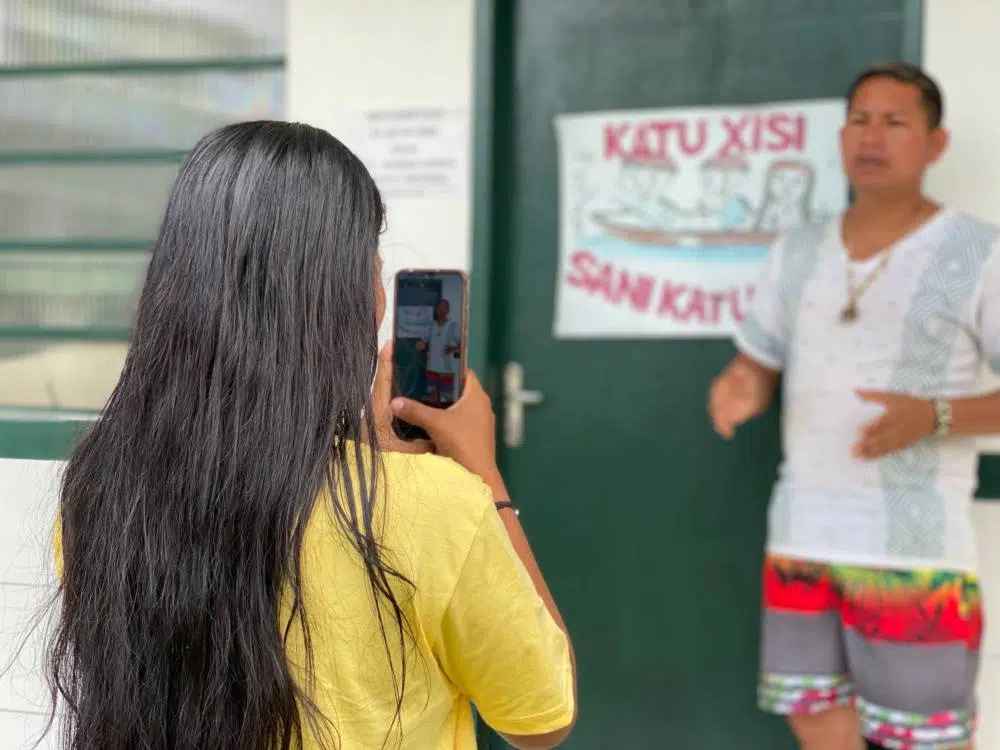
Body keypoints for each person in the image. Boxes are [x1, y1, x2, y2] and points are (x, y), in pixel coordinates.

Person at [45, 121, 576, 750]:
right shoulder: (437, 508)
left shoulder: (102, 489)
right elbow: (540, 719)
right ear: (343, 299)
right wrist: (481, 474)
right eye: (375, 268)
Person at [708, 62, 1000, 750]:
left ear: (935, 144)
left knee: (924, 739)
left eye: (895, 121)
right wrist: (742, 384)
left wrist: (936, 416)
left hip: (914, 552)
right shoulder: (799, 246)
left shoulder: (980, 252)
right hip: (802, 537)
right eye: (859, 119)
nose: (872, 136)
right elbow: (759, 360)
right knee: (818, 726)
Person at [415, 298, 460, 405]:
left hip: (447, 370)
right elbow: (421, 342)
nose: (442, 309)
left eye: (445, 307)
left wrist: (453, 349)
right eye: (440, 307)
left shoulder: (454, 326)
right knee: (432, 399)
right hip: (431, 369)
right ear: (436, 310)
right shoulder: (430, 326)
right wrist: (420, 345)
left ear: (448, 310)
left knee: (447, 400)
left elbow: (463, 345)